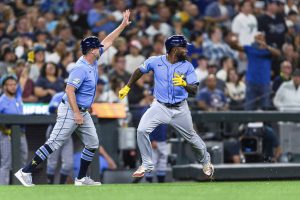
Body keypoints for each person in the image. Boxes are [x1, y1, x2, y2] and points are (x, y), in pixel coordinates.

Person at [14, 10, 131, 187]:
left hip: (82, 111)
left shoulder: (93, 59)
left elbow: (109, 40)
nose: (101, 48)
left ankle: (81, 178)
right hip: (70, 109)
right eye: (97, 47)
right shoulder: (81, 67)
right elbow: (69, 91)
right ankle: (25, 172)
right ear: (92, 50)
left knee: (93, 143)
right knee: (53, 143)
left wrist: (122, 25)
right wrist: (76, 113)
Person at [119, 35, 214, 179]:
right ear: (174, 49)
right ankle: (147, 164)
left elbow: (194, 90)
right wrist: (128, 86)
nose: (186, 50)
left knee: (192, 138)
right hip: (160, 106)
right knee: (141, 130)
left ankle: (206, 162)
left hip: (180, 108)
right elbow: (139, 71)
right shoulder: (155, 61)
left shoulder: (187, 66)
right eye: (183, 47)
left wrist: (184, 84)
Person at [229, 32, 280, 110]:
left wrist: (267, 47)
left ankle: (266, 122)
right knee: (249, 107)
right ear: (254, 39)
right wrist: (233, 42)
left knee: (265, 108)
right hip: (251, 82)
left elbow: (278, 54)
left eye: (261, 37)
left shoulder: (268, 51)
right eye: (257, 38)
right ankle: (247, 122)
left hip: (265, 83)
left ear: (264, 39)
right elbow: (235, 47)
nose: (259, 40)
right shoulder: (250, 48)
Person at [0, 74, 28, 185]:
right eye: (9, 85)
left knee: (23, 160)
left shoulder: (18, 97)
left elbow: (24, 77)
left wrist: (29, 63)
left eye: (14, 84)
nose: (12, 87)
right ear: (4, 87)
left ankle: (20, 187)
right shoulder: (1, 100)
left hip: (21, 134)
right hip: (6, 135)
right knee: (7, 163)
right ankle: (3, 189)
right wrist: (3, 129)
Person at [46, 90, 74, 185]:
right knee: (52, 163)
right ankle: (50, 186)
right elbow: (51, 108)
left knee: (68, 164)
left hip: (67, 133)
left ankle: (62, 186)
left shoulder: (78, 97)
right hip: (55, 131)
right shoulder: (59, 95)